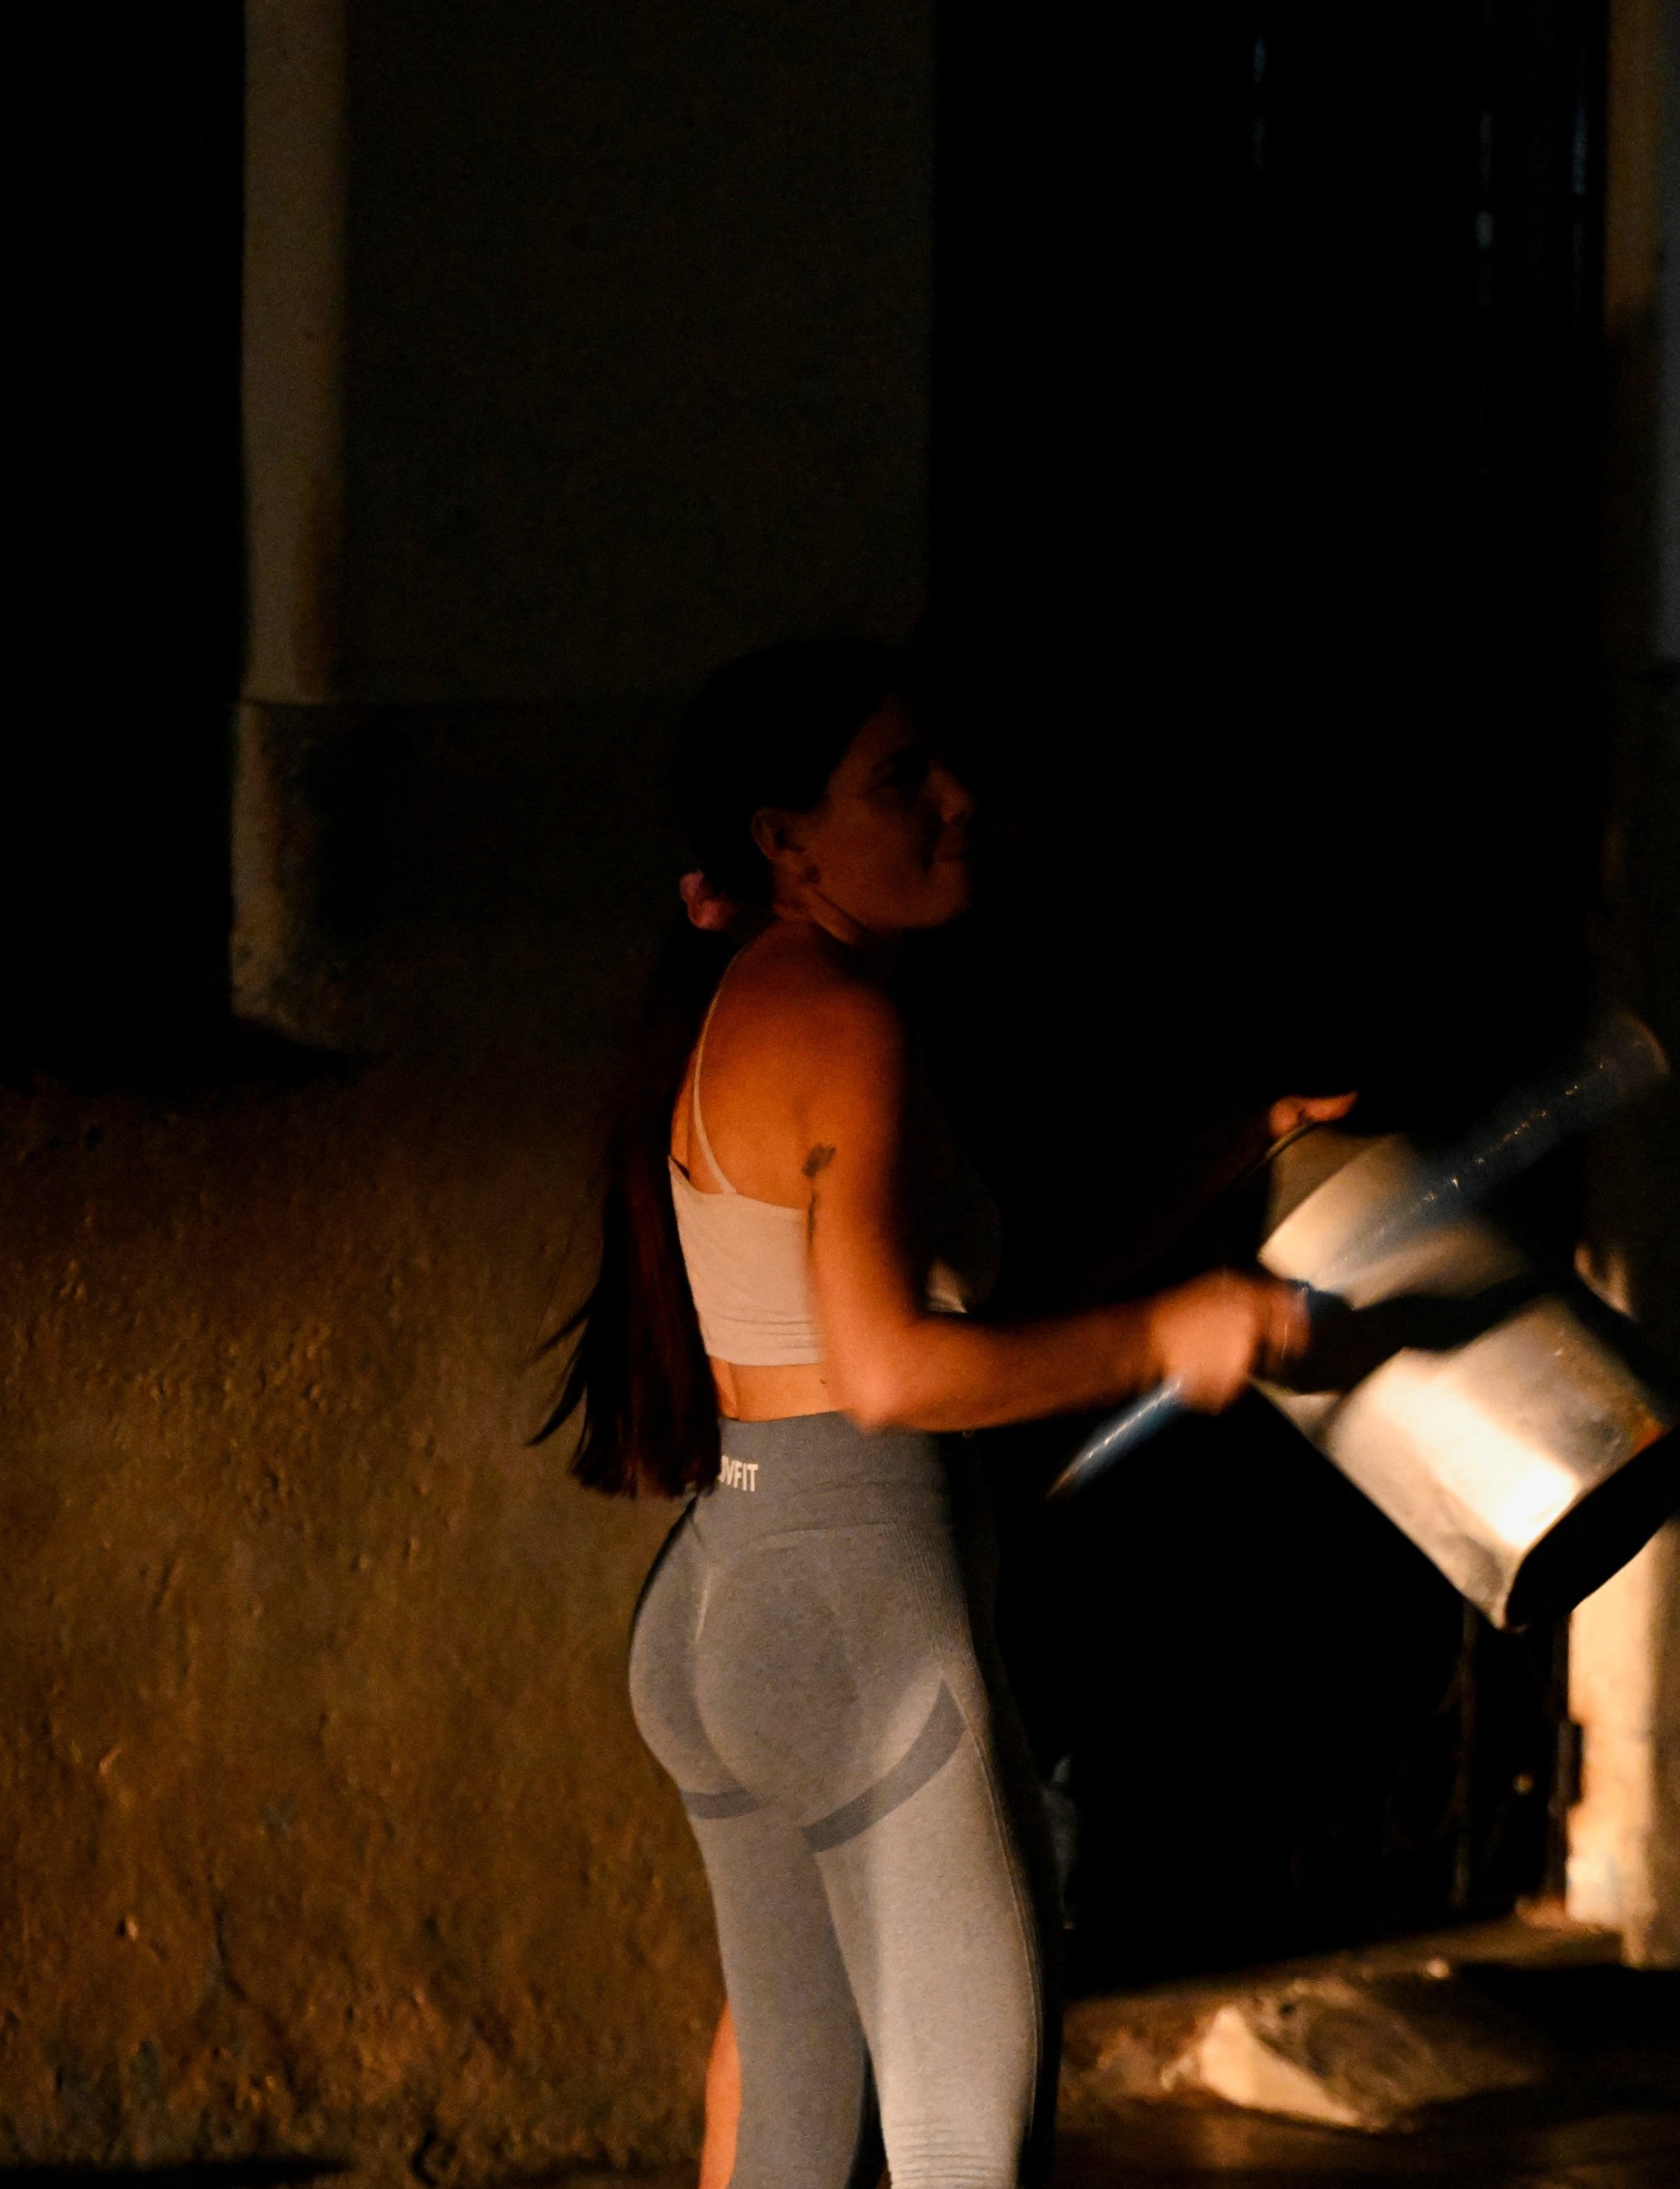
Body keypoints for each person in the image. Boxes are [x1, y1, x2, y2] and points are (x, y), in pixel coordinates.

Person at [541, 638, 1331, 2189]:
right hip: (855, 1609)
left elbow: (983, 1282)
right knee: (966, 2139)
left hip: (732, 1593)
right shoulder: (844, 1025)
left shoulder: (769, 998)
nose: (958, 801)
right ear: (785, 839)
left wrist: (1230, 1149)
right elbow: (895, 1371)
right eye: (901, 778)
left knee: (795, 2123)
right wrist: (1168, 1338)